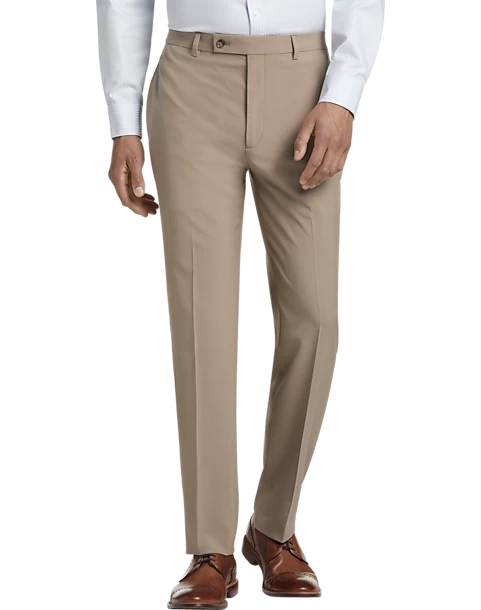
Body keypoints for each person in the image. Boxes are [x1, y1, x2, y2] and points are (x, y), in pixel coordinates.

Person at [96, 1, 384, 606]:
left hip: (304, 84)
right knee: (201, 320)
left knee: (315, 320)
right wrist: (124, 122)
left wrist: (344, 97)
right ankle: (210, 550)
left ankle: (273, 525)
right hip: (192, 80)